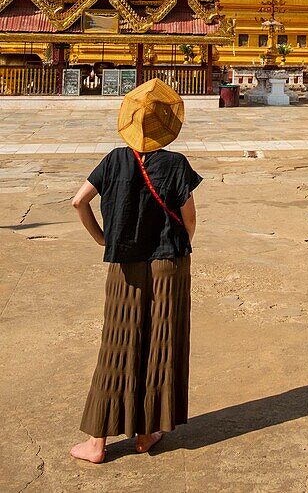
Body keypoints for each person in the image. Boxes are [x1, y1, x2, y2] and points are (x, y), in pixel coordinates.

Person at [70, 78, 202, 464]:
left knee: (118, 343)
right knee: (163, 340)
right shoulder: (176, 164)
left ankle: (97, 443)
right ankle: (147, 433)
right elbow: (189, 219)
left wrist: (103, 238)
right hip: (168, 263)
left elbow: (78, 202)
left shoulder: (114, 159)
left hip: (124, 264)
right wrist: (177, 245)